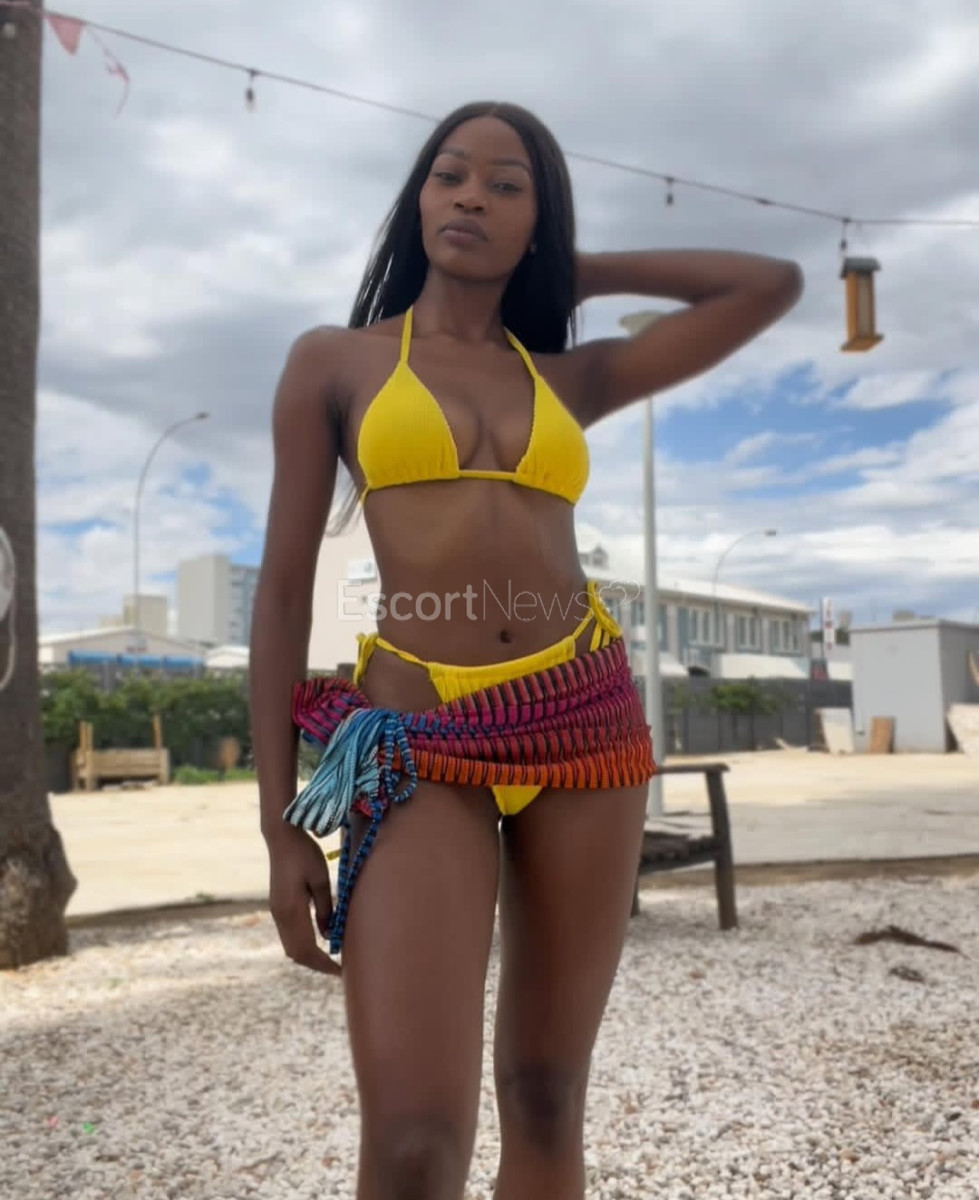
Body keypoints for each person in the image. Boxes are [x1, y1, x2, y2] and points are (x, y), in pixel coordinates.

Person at [250, 100, 803, 1200]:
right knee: (413, 1137)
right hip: (419, 741)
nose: (471, 197)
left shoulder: (565, 378)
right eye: (451, 175)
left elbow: (767, 284)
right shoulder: (334, 361)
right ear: (416, 197)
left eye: (507, 187)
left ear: (537, 222)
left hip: (583, 729)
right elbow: (279, 594)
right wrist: (279, 828)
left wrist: (571, 268)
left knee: (547, 1094)